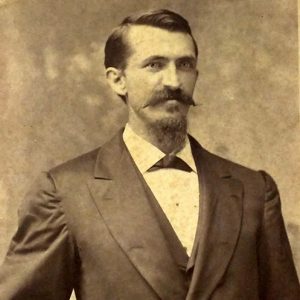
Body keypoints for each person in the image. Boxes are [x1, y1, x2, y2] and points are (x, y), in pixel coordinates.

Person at [0, 9, 299, 300]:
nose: (173, 81)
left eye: (184, 65)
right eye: (155, 65)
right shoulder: (66, 192)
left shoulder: (254, 191)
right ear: (118, 80)